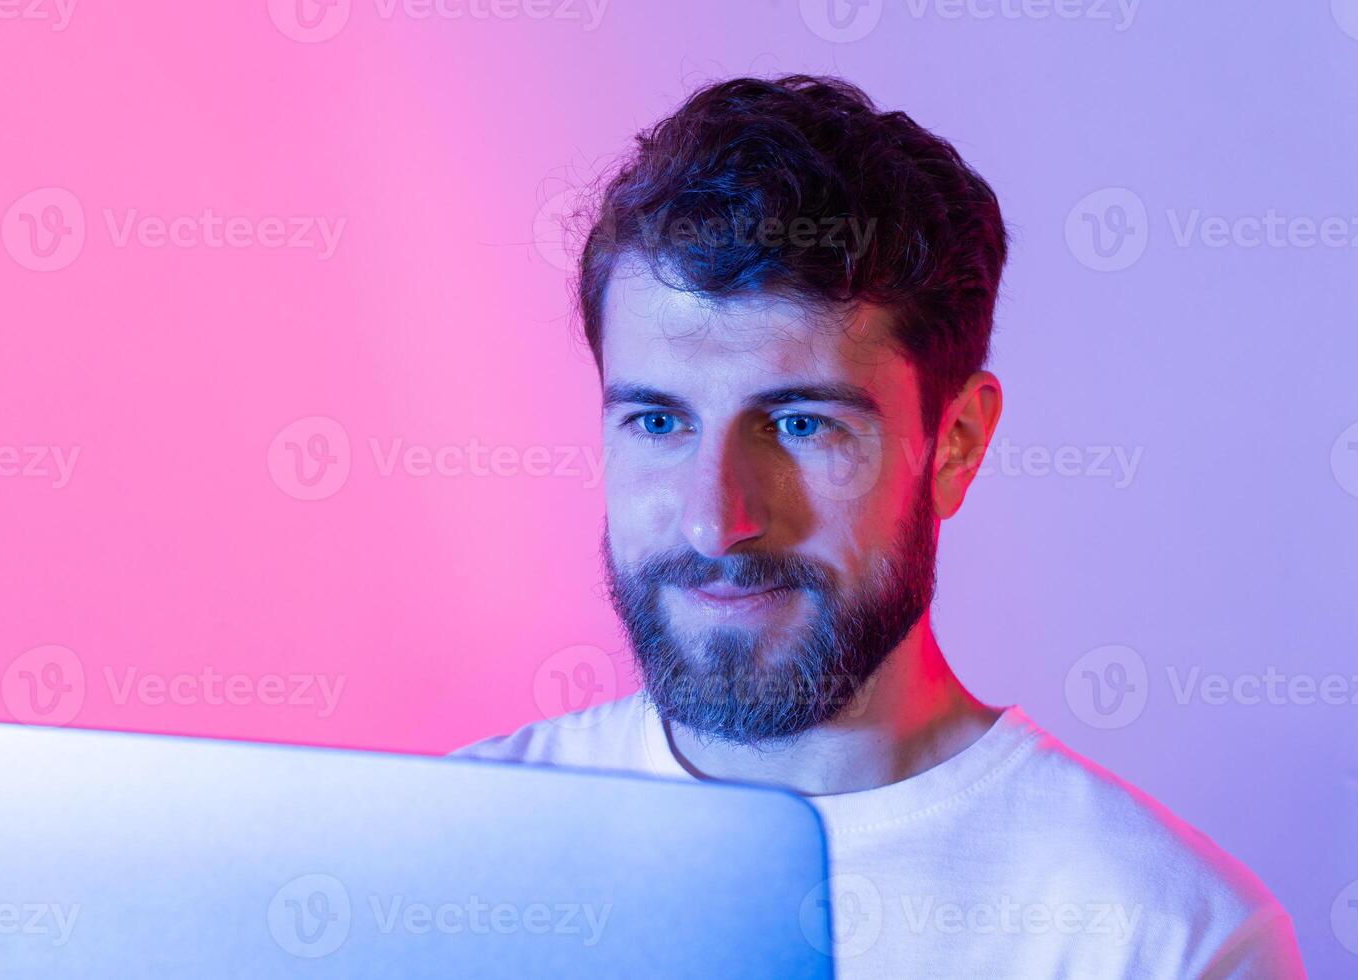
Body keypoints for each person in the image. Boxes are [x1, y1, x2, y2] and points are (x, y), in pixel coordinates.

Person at [450, 74, 1305, 978]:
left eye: (800, 424)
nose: (716, 521)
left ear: (957, 445)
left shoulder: (1166, 940)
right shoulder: (446, 849)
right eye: (658, 422)